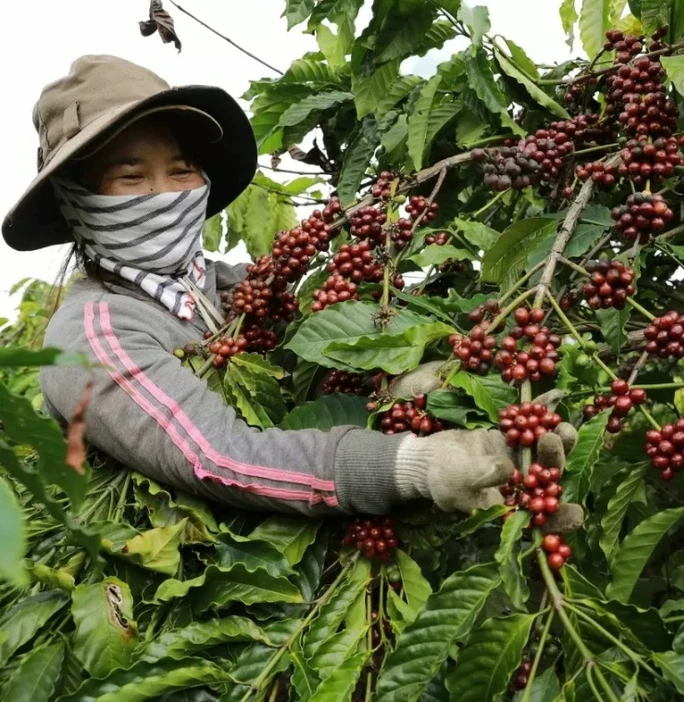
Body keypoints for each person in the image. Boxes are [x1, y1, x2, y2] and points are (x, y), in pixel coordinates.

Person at [3, 55, 581, 527]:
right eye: (130, 177)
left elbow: (314, 378)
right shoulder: (93, 333)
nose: (163, 193)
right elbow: (218, 457)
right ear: (78, 204)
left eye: (180, 169)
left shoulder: (234, 289)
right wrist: (412, 466)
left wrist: (407, 383)